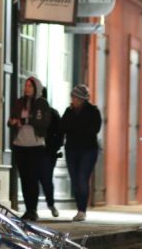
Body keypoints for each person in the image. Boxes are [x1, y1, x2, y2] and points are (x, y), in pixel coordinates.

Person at [8, 76, 52, 221]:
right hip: (20, 145)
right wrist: (14, 122)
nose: (26, 88)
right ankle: (27, 209)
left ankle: (33, 209)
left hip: (35, 146)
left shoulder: (41, 103)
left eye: (30, 86)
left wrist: (24, 120)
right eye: (26, 85)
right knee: (24, 178)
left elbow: (42, 122)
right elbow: (11, 120)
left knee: (33, 178)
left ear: (36, 88)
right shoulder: (20, 102)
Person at [61, 84, 101, 222]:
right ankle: (80, 208)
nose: (72, 99)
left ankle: (82, 210)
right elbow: (63, 127)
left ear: (81, 98)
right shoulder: (69, 111)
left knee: (82, 178)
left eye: (75, 97)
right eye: (72, 97)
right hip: (71, 149)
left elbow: (94, 129)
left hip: (88, 150)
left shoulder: (93, 111)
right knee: (75, 180)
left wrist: (75, 127)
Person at [40, 87, 63, 217]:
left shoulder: (52, 113)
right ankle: (46, 205)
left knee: (46, 178)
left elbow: (60, 133)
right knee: (41, 179)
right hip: (39, 149)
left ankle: (51, 204)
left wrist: (54, 146)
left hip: (48, 151)